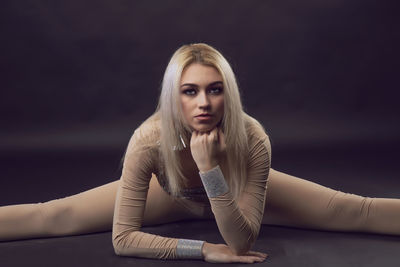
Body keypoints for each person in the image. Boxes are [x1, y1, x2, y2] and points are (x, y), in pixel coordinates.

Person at [1, 43, 399, 264]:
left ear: (229, 93)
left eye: (214, 89)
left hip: (238, 190)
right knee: (54, 214)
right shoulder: (149, 141)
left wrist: (210, 167)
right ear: (174, 97)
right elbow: (123, 240)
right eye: (190, 91)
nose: (203, 103)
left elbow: (241, 243)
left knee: (352, 209)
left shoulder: (253, 137)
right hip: (171, 193)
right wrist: (203, 249)